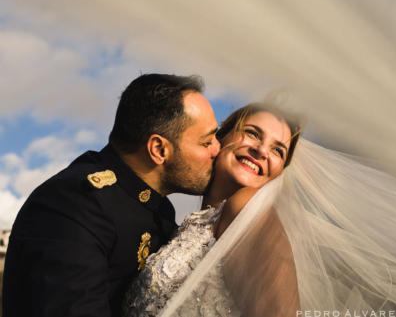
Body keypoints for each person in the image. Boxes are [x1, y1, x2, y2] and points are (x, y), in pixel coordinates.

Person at [2, 73, 221, 317]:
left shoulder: (159, 207)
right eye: (206, 142)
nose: (217, 149)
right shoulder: (74, 203)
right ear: (159, 149)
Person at [123, 94, 305, 317]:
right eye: (252, 133)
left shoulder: (247, 208)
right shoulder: (179, 226)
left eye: (278, 150)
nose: (263, 151)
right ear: (219, 140)